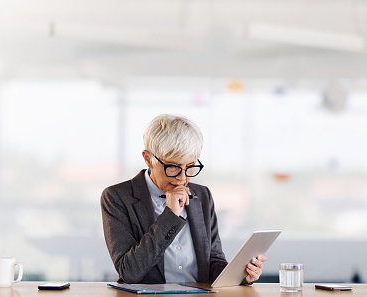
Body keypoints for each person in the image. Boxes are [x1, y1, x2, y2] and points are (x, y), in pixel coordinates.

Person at [101, 114, 266, 284]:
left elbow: (213, 261)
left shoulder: (202, 196)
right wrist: (170, 216)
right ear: (148, 158)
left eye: (190, 167)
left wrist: (241, 274)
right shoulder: (117, 197)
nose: (182, 178)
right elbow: (129, 271)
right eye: (173, 167)